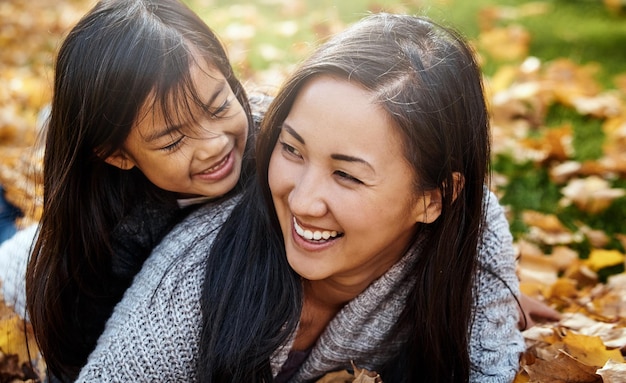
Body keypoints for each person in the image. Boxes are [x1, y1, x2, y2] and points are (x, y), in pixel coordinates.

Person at [76, 13, 525, 383]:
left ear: (434, 199)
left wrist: (500, 298)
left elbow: (488, 363)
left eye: (347, 175)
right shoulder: (189, 280)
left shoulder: (470, 230)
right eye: (291, 149)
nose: (303, 201)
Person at [22, 0, 260, 381]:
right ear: (117, 156)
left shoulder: (279, 145)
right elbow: (84, 367)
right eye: (172, 141)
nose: (214, 144)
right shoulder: (103, 246)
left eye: (218, 106)